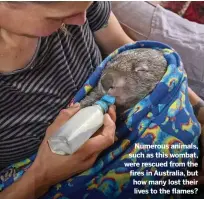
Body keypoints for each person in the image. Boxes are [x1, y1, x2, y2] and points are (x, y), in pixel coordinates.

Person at [0, 1, 203, 199]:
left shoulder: (82, 10)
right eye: (56, 16)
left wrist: (199, 112)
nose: (81, 20)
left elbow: (138, 57)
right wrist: (42, 175)